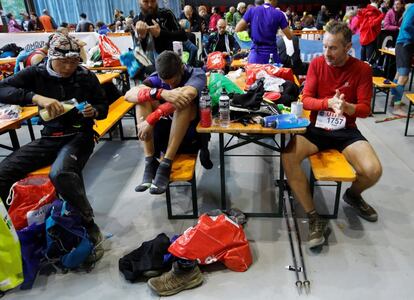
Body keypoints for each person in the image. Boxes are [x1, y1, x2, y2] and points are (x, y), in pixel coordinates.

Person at [0, 32, 108, 261]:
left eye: (73, 61)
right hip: (50, 136)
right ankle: (7, 230)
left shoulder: (84, 75)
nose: (69, 67)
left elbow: (103, 105)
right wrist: (35, 98)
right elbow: (3, 89)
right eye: (64, 61)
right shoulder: (36, 73)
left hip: (80, 135)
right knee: (4, 171)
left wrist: (95, 111)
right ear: (51, 56)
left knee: (61, 173)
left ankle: (88, 223)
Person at [282, 21, 382, 250]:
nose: (327, 52)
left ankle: (354, 195)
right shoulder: (317, 63)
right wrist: (327, 102)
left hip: (346, 131)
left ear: (348, 47)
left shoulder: (363, 70)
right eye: (325, 46)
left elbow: (365, 109)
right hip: (317, 128)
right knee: (288, 157)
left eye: (333, 48)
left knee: (373, 171)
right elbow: (306, 99)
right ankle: (314, 216)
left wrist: (349, 108)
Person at [125, 50, 206, 194]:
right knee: (142, 100)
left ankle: (166, 163)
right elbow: (128, 95)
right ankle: (150, 160)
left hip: (188, 136)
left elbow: (189, 94)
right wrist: (161, 92)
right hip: (163, 134)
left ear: (181, 68)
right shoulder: (157, 77)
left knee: (183, 103)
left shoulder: (196, 74)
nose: (170, 85)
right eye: (165, 83)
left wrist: (152, 118)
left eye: (173, 82)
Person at [235, 0, 292, 64]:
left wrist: (252, 25)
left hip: (255, 57)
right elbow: (290, 36)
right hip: (272, 56)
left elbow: (237, 29)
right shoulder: (279, 14)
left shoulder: (252, 10)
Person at [390, 4, 414, 115]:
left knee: (399, 74)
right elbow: (407, 26)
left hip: (403, 44)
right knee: (403, 76)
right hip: (405, 44)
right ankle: (397, 108)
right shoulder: (413, 8)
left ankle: (394, 100)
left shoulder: (411, 8)